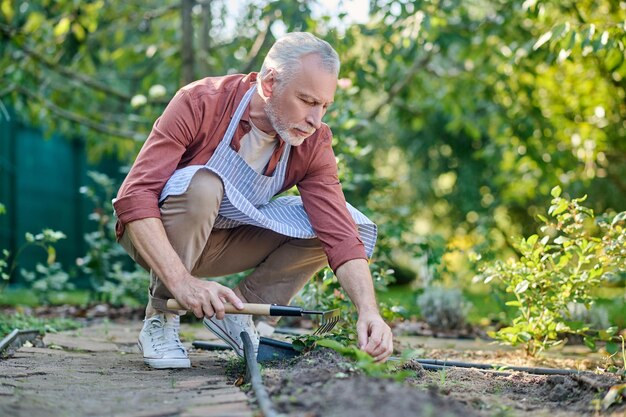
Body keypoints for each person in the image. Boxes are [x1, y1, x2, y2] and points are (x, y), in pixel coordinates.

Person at [113, 32, 393, 369]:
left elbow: (340, 234)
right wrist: (182, 283)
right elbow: (134, 196)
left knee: (350, 224)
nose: (315, 119)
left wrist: (369, 312)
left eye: (324, 105)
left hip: (225, 242)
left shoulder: (313, 141)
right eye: (306, 100)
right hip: (159, 237)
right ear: (270, 83)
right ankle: (161, 317)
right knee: (203, 185)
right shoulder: (201, 102)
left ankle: (238, 313)